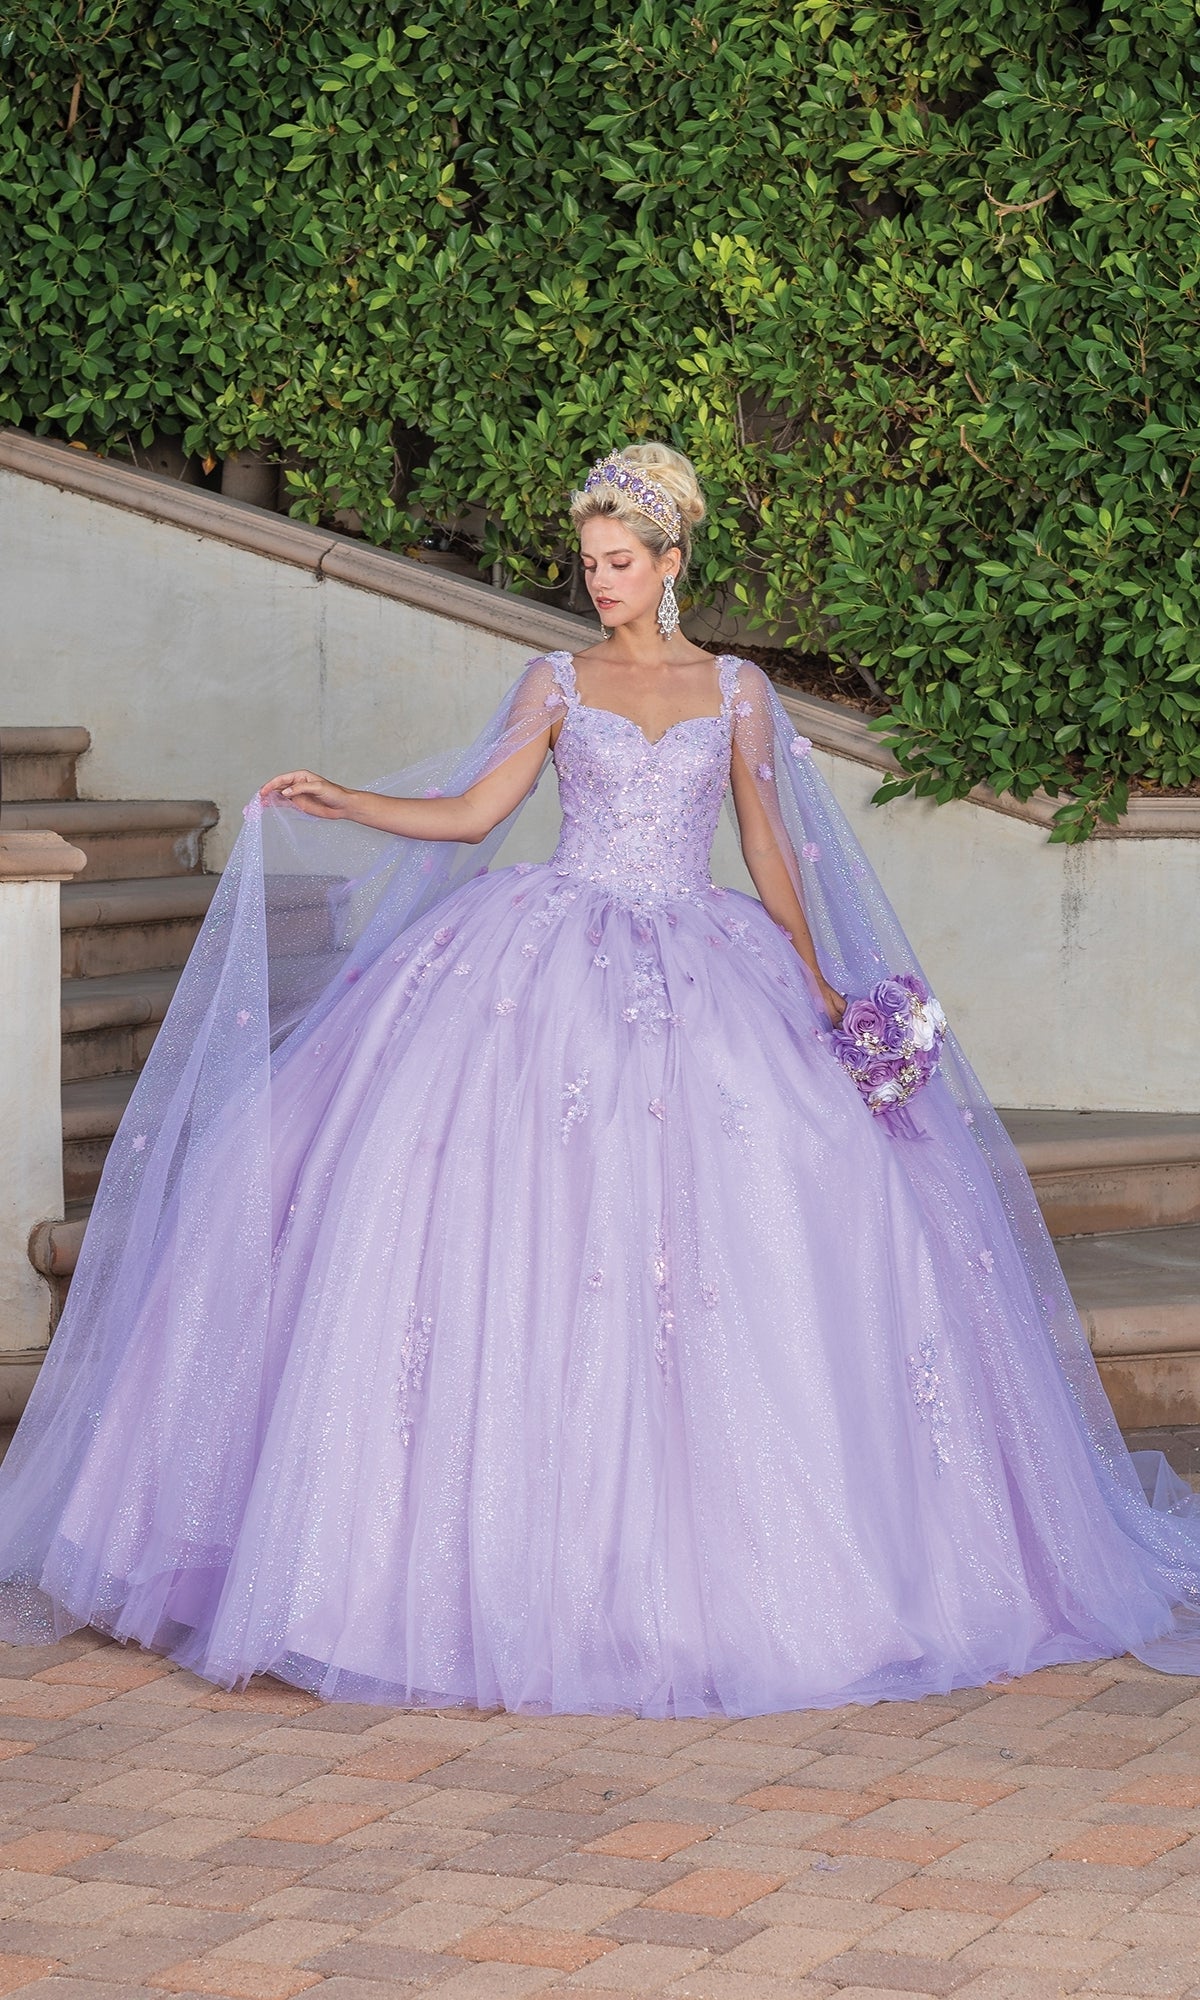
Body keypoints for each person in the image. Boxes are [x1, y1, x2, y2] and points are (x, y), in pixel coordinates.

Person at [2, 442, 1199, 1718]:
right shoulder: (556, 680)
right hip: (547, 958)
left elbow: (767, 843)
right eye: (588, 562)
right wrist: (347, 800)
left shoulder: (738, 690)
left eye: (620, 561)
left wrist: (816, 979)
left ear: (672, 562)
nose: (600, 581)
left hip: (706, 960)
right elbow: (478, 814)